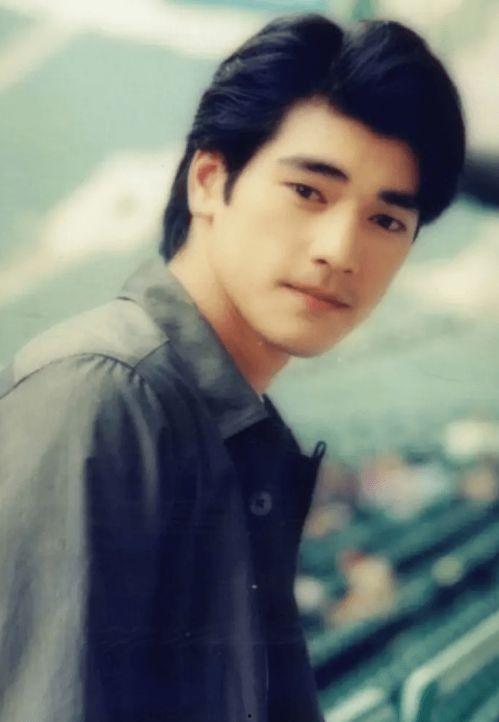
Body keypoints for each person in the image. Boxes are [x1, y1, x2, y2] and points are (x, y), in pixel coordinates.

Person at [0, 13, 465, 722]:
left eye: (386, 220)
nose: (340, 250)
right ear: (209, 180)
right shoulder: (104, 394)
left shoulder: (231, 424)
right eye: (308, 191)